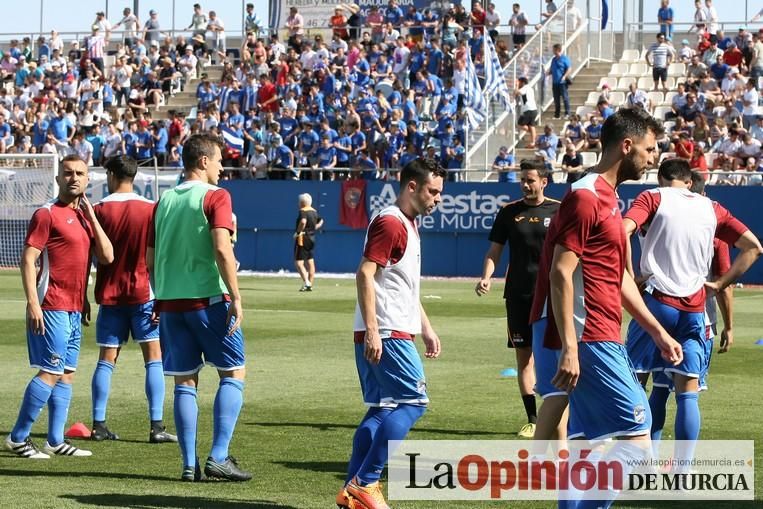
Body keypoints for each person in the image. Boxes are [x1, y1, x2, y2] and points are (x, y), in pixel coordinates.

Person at [528, 109, 684, 506]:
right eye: (649, 150)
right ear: (626, 146)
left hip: (600, 334)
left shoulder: (609, 197)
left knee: (586, 447)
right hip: (592, 338)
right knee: (638, 442)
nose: (652, 159)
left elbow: (617, 279)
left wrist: (656, 331)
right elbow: (561, 274)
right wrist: (570, 347)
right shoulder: (586, 196)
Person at [623, 158, 761, 466]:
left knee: (637, 386)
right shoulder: (711, 207)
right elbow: (753, 247)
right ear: (689, 180)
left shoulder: (652, 197)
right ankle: (682, 473)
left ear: (661, 178)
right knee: (687, 395)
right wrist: (720, 283)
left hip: (656, 304)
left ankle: (641, 465)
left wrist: (629, 275)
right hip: (695, 310)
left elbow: (621, 230)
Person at [338, 158, 445, 509]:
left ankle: (351, 488)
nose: (437, 199)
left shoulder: (407, 225)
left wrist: (426, 327)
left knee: (382, 408)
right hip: (385, 330)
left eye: (440, 193)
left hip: (386, 327)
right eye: (433, 191)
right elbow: (365, 274)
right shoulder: (391, 222)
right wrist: (373, 330)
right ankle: (366, 483)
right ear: (411, 186)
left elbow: (404, 286)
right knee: (414, 403)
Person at [147, 133, 250, 482]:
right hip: (208, 299)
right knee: (233, 372)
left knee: (185, 382)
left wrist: (161, 294)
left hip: (170, 303)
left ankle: (189, 465)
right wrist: (236, 296)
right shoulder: (216, 196)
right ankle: (218, 456)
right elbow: (222, 248)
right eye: (220, 160)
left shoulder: (162, 202)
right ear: (203, 161)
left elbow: (149, 259)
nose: (223, 167)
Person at [5, 155, 114, 459]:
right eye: (67, 173)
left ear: (87, 180)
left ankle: (55, 440)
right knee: (50, 372)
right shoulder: (46, 214)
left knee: (66, 374)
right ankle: (18, 437)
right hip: (50, 305)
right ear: (58, 179)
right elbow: (28, 260)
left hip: (74, 309)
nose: (74, 178)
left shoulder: (84, 218)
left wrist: (92, 217)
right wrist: (32, 303)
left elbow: (107, 257)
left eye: (80, 173)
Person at [89, 156, 176, 444]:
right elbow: (159, 258)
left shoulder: (99, 210)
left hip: (111, 296)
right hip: (144, 294)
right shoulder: (151, 209)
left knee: (106, 359)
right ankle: (156, 426)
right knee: (153, 358)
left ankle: (98, 423)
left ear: (112, 175)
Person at [475, 160, 559, 439]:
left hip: (551, 297)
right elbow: (494, 251)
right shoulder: (509, 212)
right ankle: (533, 420)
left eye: (531, 179)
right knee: (525, 359)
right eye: (523, 179)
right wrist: (487, 275)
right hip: (518, 295)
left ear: (544, 181)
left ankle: (562, 418)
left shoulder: (558, 210)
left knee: (558, 358)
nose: (525, 184)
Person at [294, 193, 324, 292]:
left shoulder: (303, 211)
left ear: (302, 203)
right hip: (312, 237)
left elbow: (303, 221)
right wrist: (315, 227)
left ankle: (307, 283)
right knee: (310, 261)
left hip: (303, 238)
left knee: (299, 262)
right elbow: (321, 220)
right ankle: (309, 284)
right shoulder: (314, 212)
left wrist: (298, 232)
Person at [548, 44, 571, 119]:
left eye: (554, 49)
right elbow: (552, 70)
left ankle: (567, 113)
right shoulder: (553, 59)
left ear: (558, 50)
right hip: (555, 83)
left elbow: (569, 68)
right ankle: (557, 114)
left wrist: (564, 77)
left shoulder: (564, 58)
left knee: (565, 98)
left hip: (562, 82)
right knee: (556, 99)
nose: (553, 51)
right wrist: (548, 73)